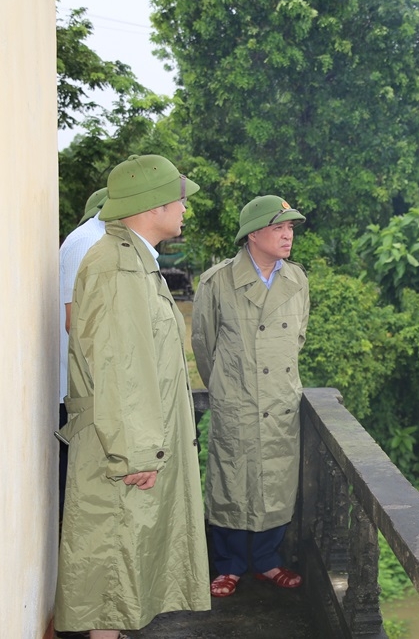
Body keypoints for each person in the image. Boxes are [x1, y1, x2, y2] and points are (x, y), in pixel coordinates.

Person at [55, 155, 211, 638]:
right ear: (153, 205)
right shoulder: (118, 267)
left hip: (133, 440)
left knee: (124, 551)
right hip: (125, 447)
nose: (185, 207)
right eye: (179, 199)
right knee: (115, 547)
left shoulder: (135, 260)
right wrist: (135, 453)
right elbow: (120, 369)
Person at [191, 195, 309, 598]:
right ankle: (228, 565)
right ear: (254, 234)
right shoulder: (217, 281)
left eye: (290, 228)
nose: (288, 235)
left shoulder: (297, 279)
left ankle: (268, 560)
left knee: (275, 481)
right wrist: (229, 386)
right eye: (279, 227)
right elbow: (204, 345)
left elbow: (299, 337)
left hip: (280, 402)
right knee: (230, 481)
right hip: (237, 401)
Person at [57, 187, 108, 521]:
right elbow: (79, 326)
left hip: (94, 391)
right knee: (82, 499)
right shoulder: (86, 243)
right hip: (82, 393)